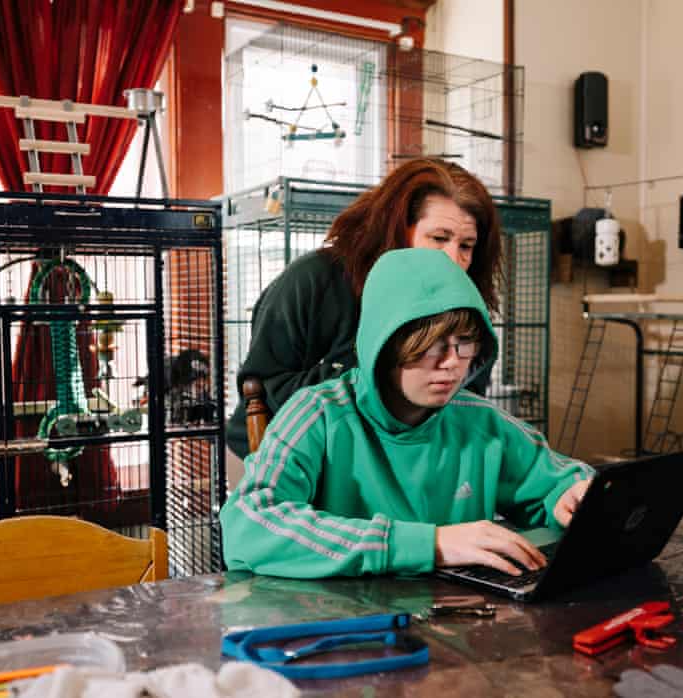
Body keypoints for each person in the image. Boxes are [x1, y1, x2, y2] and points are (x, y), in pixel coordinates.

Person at [220, 248, 593, 579]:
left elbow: (557, 480)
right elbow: (248, 524)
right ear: (384, 343)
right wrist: (429, 545)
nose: (452, 364)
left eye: (464, 344)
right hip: (344, 631)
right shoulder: (317, 414)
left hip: (459, 630)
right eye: (431, 345)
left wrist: (570, 495)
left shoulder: (479, 421)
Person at [226, 158, 503, 459]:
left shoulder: (466, 305)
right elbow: (262, 389)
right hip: (278, 456)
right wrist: (380, 376)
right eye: (439, 239)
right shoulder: (314, 280)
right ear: (398, 229)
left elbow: (467, 409)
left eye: (466, 246)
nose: (453, 260)